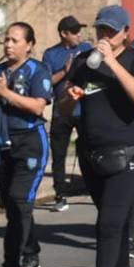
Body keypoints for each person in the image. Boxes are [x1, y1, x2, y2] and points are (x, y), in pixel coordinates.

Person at [61, 5, 134, 267]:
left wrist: (113, 61)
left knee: (109, 224)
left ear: (126, 33)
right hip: (92, 153)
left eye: (112, 31)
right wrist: (70, 98)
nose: (105, 35)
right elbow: (63, 108)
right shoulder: (85, 62)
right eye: (101, 29)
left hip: (127, 153)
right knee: (111, 223)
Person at [0, 23, 53, 267]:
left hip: (30, 142)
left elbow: (37, 106)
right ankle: (31, 251)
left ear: (29, 45)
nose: (8, 45)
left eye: (15, 40)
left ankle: (10, 265)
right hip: (2, 143)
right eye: (6, 40)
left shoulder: (37, 70)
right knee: (11, 205)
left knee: (20, 201)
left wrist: (6, 93)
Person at [41, 16, 92, 213]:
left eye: (80, 30)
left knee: (88, 150)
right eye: (75, 31)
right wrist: (65, 71)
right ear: (64, 33)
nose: (79, 34)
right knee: (59, 156)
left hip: (84, 109)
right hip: (61, 112)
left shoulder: (87, 49)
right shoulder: (51, 54)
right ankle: (60, 195)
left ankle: (91, 185)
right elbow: (46, 82)